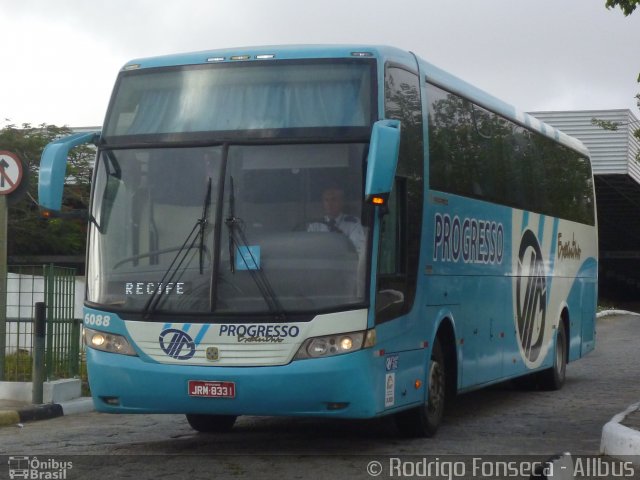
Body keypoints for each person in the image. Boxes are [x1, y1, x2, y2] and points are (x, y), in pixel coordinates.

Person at [307, 186, 365, 255]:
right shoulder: (315, 225)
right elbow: (310, 250)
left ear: (342, 202)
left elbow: (356, 250)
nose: (329, 204)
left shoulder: (353, 224)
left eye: (333, 200)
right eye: (326, 200)